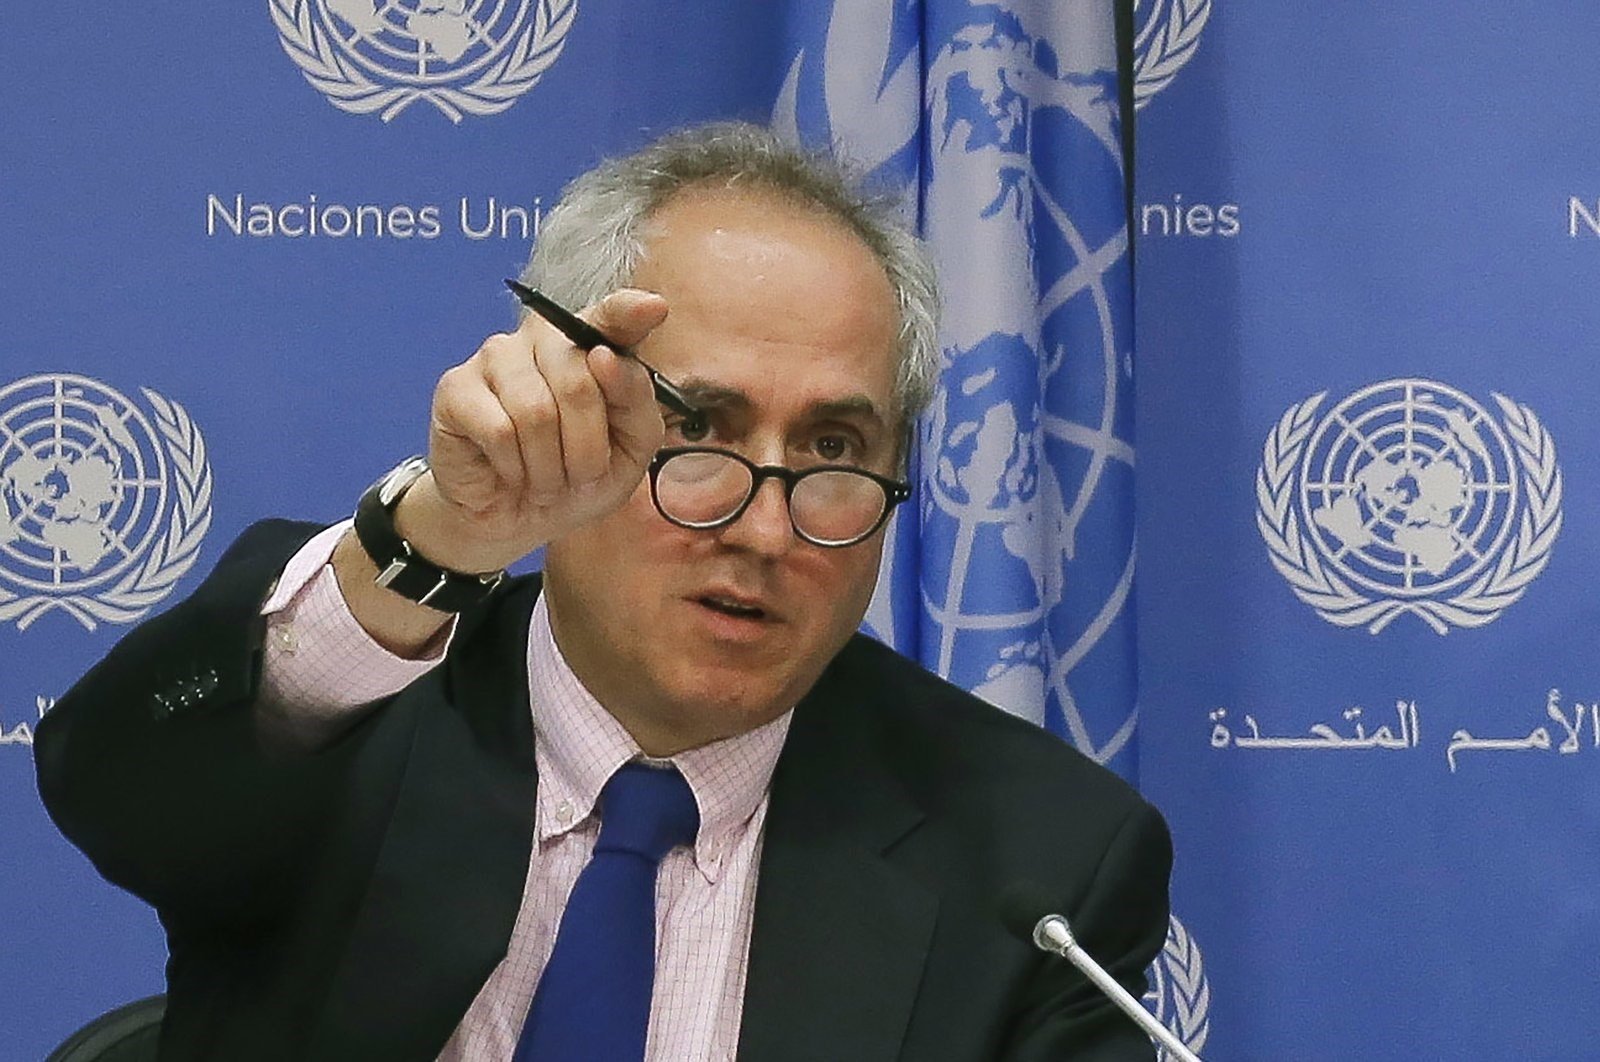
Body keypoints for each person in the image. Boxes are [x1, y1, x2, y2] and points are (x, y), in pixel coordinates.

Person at [35, 122, 1173, 1061]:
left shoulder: (1037, 868)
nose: (765, 528)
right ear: (564, 405)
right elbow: (112, 785)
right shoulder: (352, 721)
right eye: (697, 431)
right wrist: (440, 537)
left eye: (833, 448)